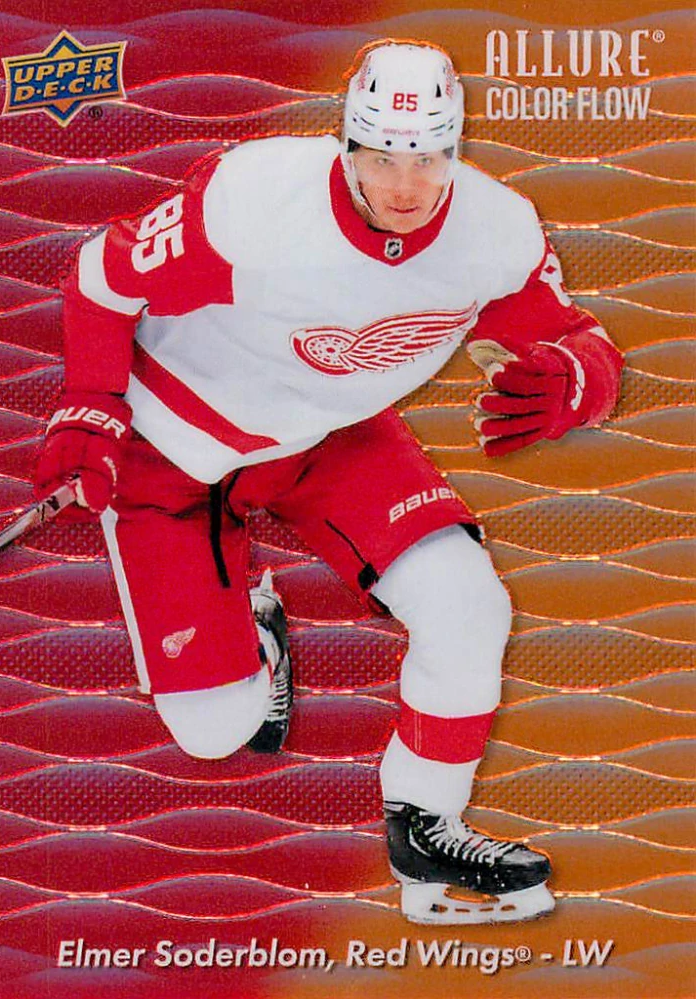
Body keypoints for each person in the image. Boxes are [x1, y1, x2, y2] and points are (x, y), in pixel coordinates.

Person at [35, 39, 623, 925]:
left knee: (469, 604)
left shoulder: (496, 229)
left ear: (456, 148)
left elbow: (570, 333)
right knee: (215, 732)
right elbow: (101, 277)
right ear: (346, 143)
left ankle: (427, 820)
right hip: (174, 454)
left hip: (327, 433)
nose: (404, 185)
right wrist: (91, 401)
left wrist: (579, 379)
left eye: (428, 158)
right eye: (382, 156)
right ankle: (260, 639)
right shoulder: (253, 202)